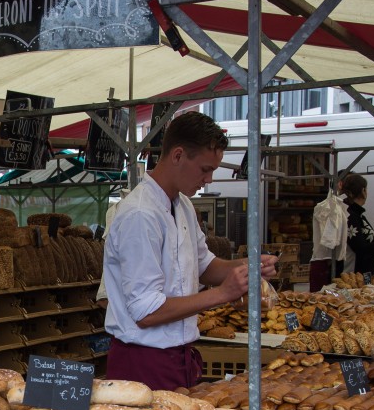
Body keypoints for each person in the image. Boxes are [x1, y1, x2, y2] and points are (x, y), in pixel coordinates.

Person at [103, 111, 277, 390]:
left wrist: (248, 266)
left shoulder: (182, 205)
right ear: (178, 155)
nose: (208, 179)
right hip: (142, 363)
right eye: (205, 169)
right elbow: (146, 312)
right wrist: (222, 294)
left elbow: (206, 266)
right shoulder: (140, 215)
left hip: (178, 356)